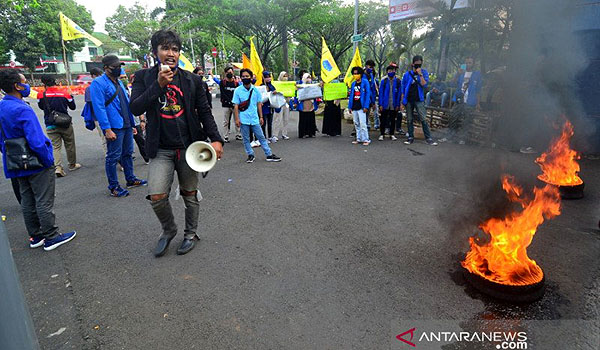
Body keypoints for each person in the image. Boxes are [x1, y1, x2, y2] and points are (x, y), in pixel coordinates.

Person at [130, 29, 224, 257]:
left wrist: (216, 139)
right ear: (155, 52)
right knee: (157, 196)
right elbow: (135, 108)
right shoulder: (143, 77)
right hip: (160, 148)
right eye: (165, 48)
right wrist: (159, 85)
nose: (171, 53)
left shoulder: (192, 80)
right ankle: (169, 229)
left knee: (190, 193)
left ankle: (190, 234)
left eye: (175, 49)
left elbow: (204, 112)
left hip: (189, 147)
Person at [0, 69, 76, 251]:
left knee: (27, 199)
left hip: (15, 161)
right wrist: (47, 159)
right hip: (35, 161)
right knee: (43, 199)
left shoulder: (2, 106)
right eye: (24, 82)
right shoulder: (21, 108)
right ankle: (51, 236)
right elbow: (35, 140)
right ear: (17, 86)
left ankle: (36, 235)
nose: (27, 85)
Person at [90, 55, 147, 197]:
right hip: (113, 126)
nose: (118, 69)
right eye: (114, 67)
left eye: (119, 66)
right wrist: (107, 129)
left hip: (126, 124)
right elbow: (99, 108)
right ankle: (114, 186)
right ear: (105, 68)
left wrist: (132, 123)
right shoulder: (98, 83)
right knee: (113, 157)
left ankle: (130, 179)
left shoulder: (119, 82)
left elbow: (126, 103)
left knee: (128, 153)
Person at [233, 68, 281, 163]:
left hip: (255, 118)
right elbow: (235, 106)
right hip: (243, 119)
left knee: (261, 137)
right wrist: (237, 119)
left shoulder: (256, 90)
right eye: (243, 76)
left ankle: (269, 154)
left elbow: (259, 104)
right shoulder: (237, 91)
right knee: (246, 139)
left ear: (251, 77)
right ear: (240, 78)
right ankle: (250, 155)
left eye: (247, 76)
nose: (245, 78)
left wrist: (261, 117)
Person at [37, 75, 81, 177]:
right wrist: (71, 97)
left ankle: (58, 167)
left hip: (50, 123)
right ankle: (72, 164)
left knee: (55, 146)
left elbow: (41, 107)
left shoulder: (41, 95)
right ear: (55, 82)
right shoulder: (64, 93)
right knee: (69, 144)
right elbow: (73, 107)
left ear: (44, 84)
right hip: (65, 123)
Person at [441, 57, 483, 144]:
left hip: (470, 101)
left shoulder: (477, 74)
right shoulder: (460, 73)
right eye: (466, 62)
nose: (468, 64)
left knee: (467, 120)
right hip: (459, 99)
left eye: (470, 63)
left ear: (473, 64)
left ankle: (462, 139)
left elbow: (478, 90)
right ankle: (450, 136)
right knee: (453, 117)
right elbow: (452, 84)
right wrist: (457, 74)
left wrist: (478, 103)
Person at [400, 56, 438, 146]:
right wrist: (402, 101)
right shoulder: (407, 74)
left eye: (420, 63)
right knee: (409, 119)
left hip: (419, 100)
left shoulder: (424, 73)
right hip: (409, 99)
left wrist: (420, 74)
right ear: (413, 64)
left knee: (423, 118)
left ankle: (428, 138)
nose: (418, 64)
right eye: (416, 63)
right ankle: (410, 137)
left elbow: (424, 85)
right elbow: (403, 88)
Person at [82, 67, 107, 152]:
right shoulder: (89, 89)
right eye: (98, 75)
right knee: (105, 138)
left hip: (108, 116)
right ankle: (109, 157)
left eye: (101, 75)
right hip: (98, 117)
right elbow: (93, 104)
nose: (100, 77)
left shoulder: (105, 85)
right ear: (93, 76)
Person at [377, 64, 402, 141]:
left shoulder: (398, 81)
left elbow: (399, 93)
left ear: (395, 71)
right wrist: (380, 104)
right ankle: (382, 134)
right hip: (385, 104)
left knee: (393, 120)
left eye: (393, 70)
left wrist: (398, 104)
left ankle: (392, 134)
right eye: (390, 70)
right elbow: (380, 93)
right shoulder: (384, 81)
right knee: (383, 120)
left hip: (393, 104)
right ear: (387, 71)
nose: (391, 72)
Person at [348, 66, 371, 145]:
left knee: (363, 123)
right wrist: (350, 106)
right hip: (354, 106)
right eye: (354, 74)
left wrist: (366, 106)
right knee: (356, 123)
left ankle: (366, 139)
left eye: (357, 73)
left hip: (362, 106)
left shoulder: (365, 82)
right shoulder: (353, 83)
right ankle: (358, 138)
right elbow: (351, 95)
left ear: (360, 74)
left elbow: (368, 94)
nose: (356, 75)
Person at [219, 66, 241, 142]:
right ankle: (225, 136)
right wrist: (229, 101)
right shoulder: (222, 83)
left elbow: (238, 94)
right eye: (228, 73)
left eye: (231, 72)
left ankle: (238, 134)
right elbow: (223, 93)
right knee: (226, 121)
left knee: (237, 120)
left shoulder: (236, 83)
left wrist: (235, 103)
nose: (230, 74)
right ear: (225, 73)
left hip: (235, 105)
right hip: (226, 105)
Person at [294, 73, 318, 138]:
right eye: (307, 78)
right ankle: (303, 133)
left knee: (311, 119)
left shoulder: (313, 86)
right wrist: (296, 102)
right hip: (303, 104)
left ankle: (311, 133)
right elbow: (296, 95)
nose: (308, 79)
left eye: (309, 78)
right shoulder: (300, 86)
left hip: (311, 104)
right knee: (303, 119)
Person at [273, 71, 291, 140]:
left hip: (286, 103)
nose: (286, 77)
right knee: (277, 119)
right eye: (284, 76)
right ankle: (275, 134)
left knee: (286, 119)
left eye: (286, 76)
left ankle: (284, 133)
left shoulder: (288, 85)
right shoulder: (277, 84)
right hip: (278, 104)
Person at [260, 71, 276, 142]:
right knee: (264, 123)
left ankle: (270, 136)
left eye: (269, 77)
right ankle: (264, 137)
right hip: (264, 107)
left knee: (270, 123)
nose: (268, 78)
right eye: (266, 77)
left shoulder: (272, 86)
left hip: (271, 107)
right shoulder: (261, 86)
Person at [364, 60, 379, 130]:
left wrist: (372, 101)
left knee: (367, 114)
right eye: (370, 67)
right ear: (366, 66)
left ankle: (367, 126)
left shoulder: (371, 75)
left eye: (372, 67)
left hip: (370, 99)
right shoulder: (362, 76)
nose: (372, 69)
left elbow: (372, 88)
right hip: (363, 99)